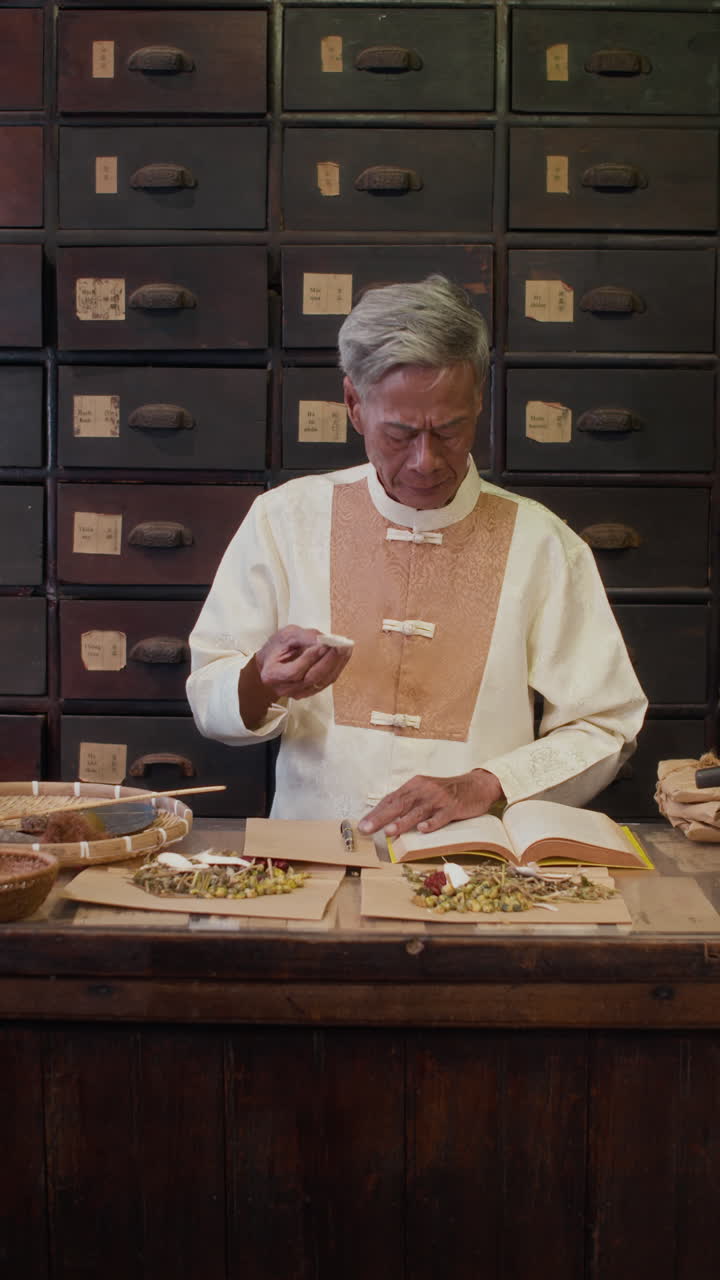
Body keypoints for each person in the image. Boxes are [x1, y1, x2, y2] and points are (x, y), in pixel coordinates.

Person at [187, 275, 647, 839]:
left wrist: (485, 783)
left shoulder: (543, 542)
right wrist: (261, 680)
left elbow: (605, 723)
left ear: (479, 397)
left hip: (475, 864)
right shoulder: (286, 520)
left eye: (450, 431)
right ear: (354, 404)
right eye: (400, 434)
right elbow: (210, 689)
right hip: (313, 855)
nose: (427, 461)